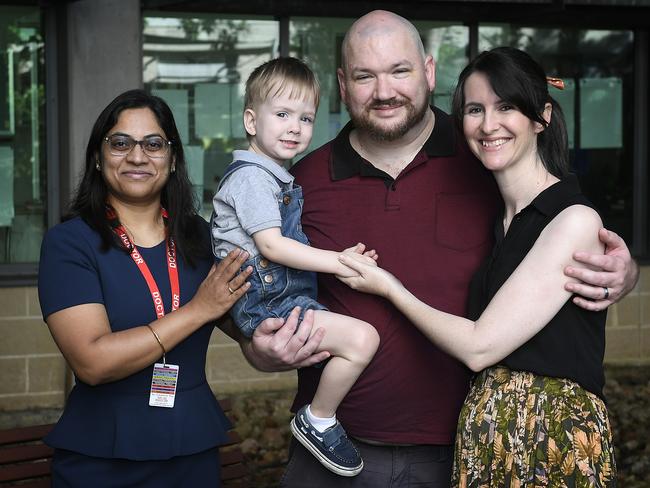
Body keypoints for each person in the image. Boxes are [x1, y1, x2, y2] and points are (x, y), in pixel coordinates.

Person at [238, 10, 638, 487]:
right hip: (332, 451)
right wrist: (255, 346)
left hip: (460, 453)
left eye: (400, 71)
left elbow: (557, 226)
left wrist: (624, 270)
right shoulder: (299, 184)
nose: (384, 91)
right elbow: (243, 274)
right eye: (366, 76)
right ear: (344, 84)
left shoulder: (486, 161)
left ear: (428, 71)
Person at [339, 46, 616, 487]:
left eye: (505, 106)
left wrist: (388, 287)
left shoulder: (573, 219)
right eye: (474, 109)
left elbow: (479, 346)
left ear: (541, 116)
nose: (488, 125)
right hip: (488, 436)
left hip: (548, 437)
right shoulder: (498, 218)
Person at [37, 89, 254, 487]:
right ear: (98, 159)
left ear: (172, 160)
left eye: (153, 144)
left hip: (192, 445)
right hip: (103, 456)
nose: (137, 156)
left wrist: (289, 337)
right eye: (120, 143)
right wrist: (198, 310)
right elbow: (93, 363)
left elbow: (250, 333)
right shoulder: (70, 243)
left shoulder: (201, 236)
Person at [211, 57, 379, 477]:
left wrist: (343, 257)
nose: (295, 127)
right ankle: (317, 418)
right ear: (251, 120)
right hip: (267, 304)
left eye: (305, 118)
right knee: (362, 339)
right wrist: (340, 262)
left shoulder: (274, 178)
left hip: (281, 296)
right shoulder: (251, 178)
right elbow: (273, 246)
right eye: (282, 114)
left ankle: (320, 415)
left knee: (354, 341)